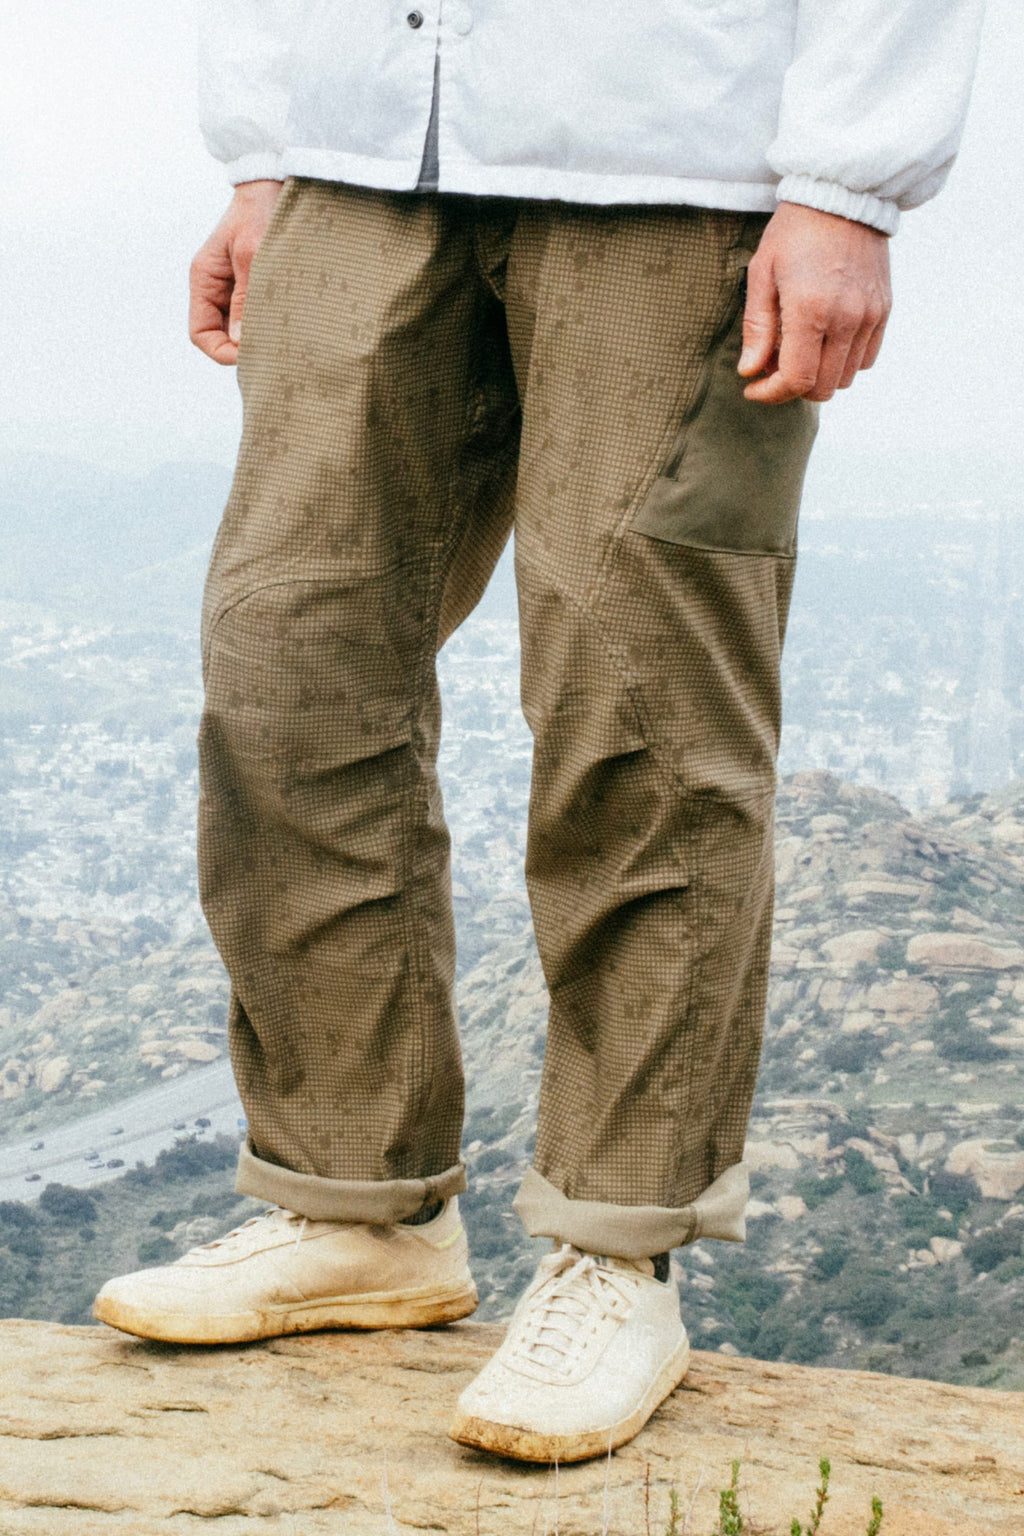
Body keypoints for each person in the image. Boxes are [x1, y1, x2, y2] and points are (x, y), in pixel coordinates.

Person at [94, 0, 985, 1464]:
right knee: (285, 674)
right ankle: (351, 1207)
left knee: (639, 716)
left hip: (675, 153)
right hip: (360, 138)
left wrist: (848, 187)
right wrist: (264, 154)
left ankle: (617, 1252)